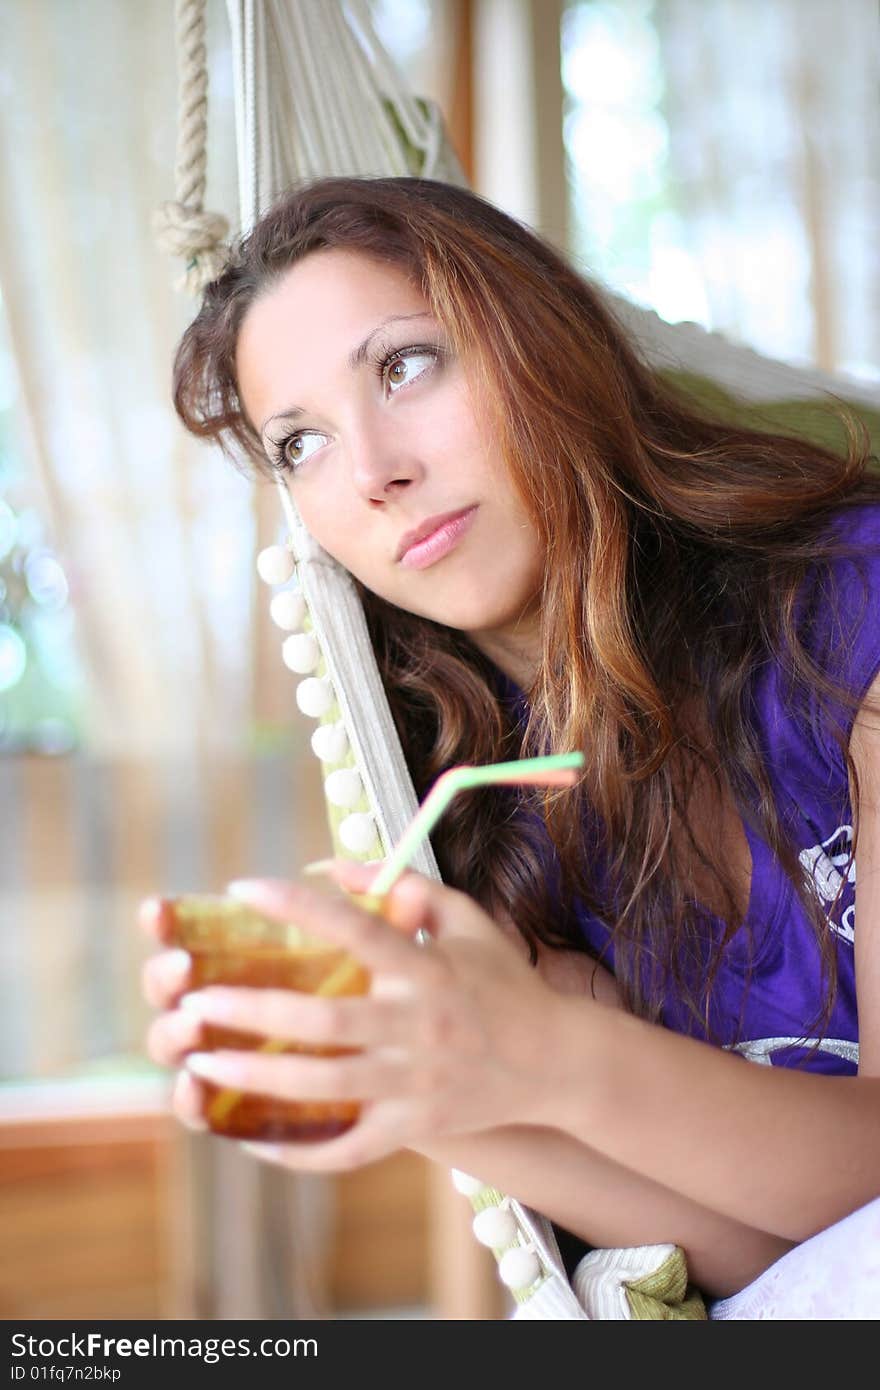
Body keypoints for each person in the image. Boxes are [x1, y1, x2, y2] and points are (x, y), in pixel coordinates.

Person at [140, 176, 880, 1316]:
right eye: (301, 444)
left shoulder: (847, 613)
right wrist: (441, 1099)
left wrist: (539, 1052)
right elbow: (761, 1246)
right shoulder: (486, 833)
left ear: (537, 339)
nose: (373, 470)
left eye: (403, 366)